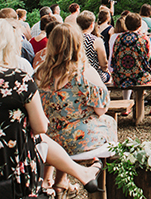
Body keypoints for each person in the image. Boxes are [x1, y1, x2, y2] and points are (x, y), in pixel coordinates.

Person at [0, 18, 103, 199]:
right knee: (38, 136)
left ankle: (73, 175)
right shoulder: (18, 79)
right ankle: (79, 174)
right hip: (8, 177)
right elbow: (41, 127)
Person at [35, 23, 118, 160]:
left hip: (48, 139)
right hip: (79, 141)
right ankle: (97, 169)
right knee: (108, 121)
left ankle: (60, 179)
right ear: (78, 44)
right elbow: (101, 109)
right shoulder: (84, 73)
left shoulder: (39, 73)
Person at [111, 13, 151, 115]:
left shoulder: (118, 39)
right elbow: (149, 59)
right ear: (140, 25)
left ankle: (126, 103)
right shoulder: (144, 39)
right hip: (139, 77)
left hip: (120, 76)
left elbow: (114, 58)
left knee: (127, 75)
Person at [76, 11, 110, 83]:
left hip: (75, 74)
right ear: (92, 25)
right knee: (108, 76)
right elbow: (104, 64)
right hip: (93, 75)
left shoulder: (72, 38)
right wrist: (106, 70)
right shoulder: (96, 40)